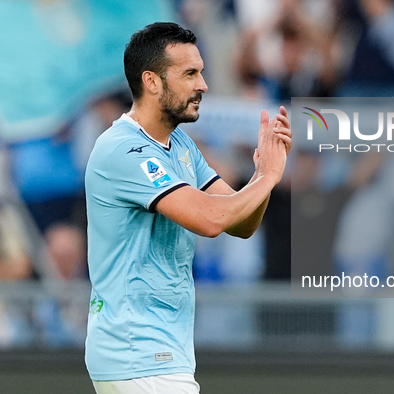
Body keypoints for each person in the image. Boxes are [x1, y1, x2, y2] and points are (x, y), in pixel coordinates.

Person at [84, 22, 291, 394]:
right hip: (136, 352)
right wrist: (268, 178)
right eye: (190, 74)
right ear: (152, 81)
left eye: (202, 72)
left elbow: (240, 223)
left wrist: (262, 174)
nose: (203, 85)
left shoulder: (180, 145)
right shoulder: (123, 149)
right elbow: (211, 219)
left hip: (164, 353)